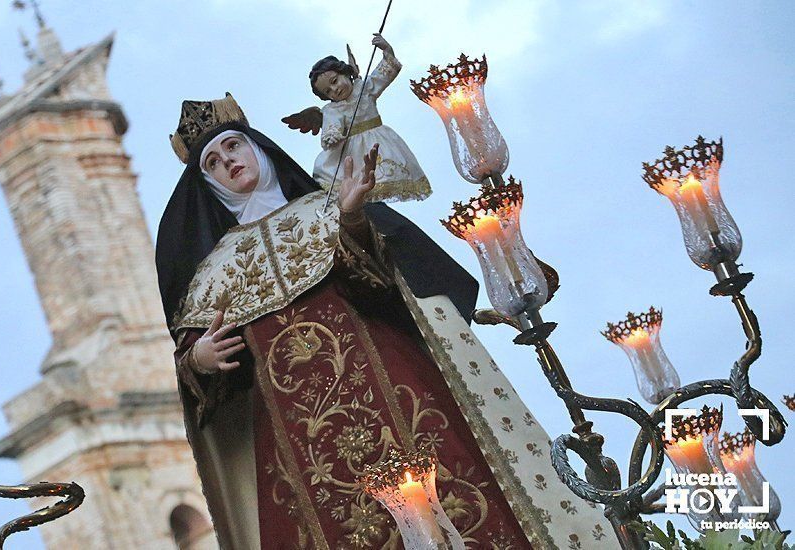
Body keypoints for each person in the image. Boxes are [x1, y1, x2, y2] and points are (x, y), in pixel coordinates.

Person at [158, 94, 614, 549]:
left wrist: (353, 219)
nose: (228, 162)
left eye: (233, 147)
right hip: (296, 443)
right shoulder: (215, 271)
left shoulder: (330, 208)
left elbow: (384, 287)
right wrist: (197, 359)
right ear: (209, 185)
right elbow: (199, 364)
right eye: (213, 163)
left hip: (394, 396)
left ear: (257, 146)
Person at [282, 33, 430, 204]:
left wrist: (387, 50)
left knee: (380, 175)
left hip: (378, 142)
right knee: (351, 181)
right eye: (328, 91)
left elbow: (384, 74)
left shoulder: (364, 88)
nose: (334, 89)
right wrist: (332, 137)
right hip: (350, 152)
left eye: (335, 81)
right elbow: (332, 125)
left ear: (345, 73)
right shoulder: (332, 109)